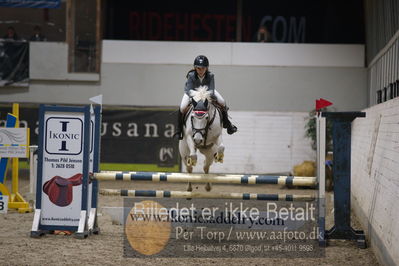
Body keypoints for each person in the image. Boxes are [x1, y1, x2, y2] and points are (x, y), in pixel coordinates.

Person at [174, 55, 237, 139]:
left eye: (203, 68)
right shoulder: (191, 75)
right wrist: (198, 94)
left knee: (222, 101)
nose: (201, 71)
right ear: (195, 68)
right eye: (199, 68)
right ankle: (179, 130)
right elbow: (189, 90)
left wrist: (204, 94)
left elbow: (211, 90)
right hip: (192, 93)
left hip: (207, 93)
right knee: (182, 107)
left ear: (206, 68)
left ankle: (228, 124)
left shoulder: (211, 75)